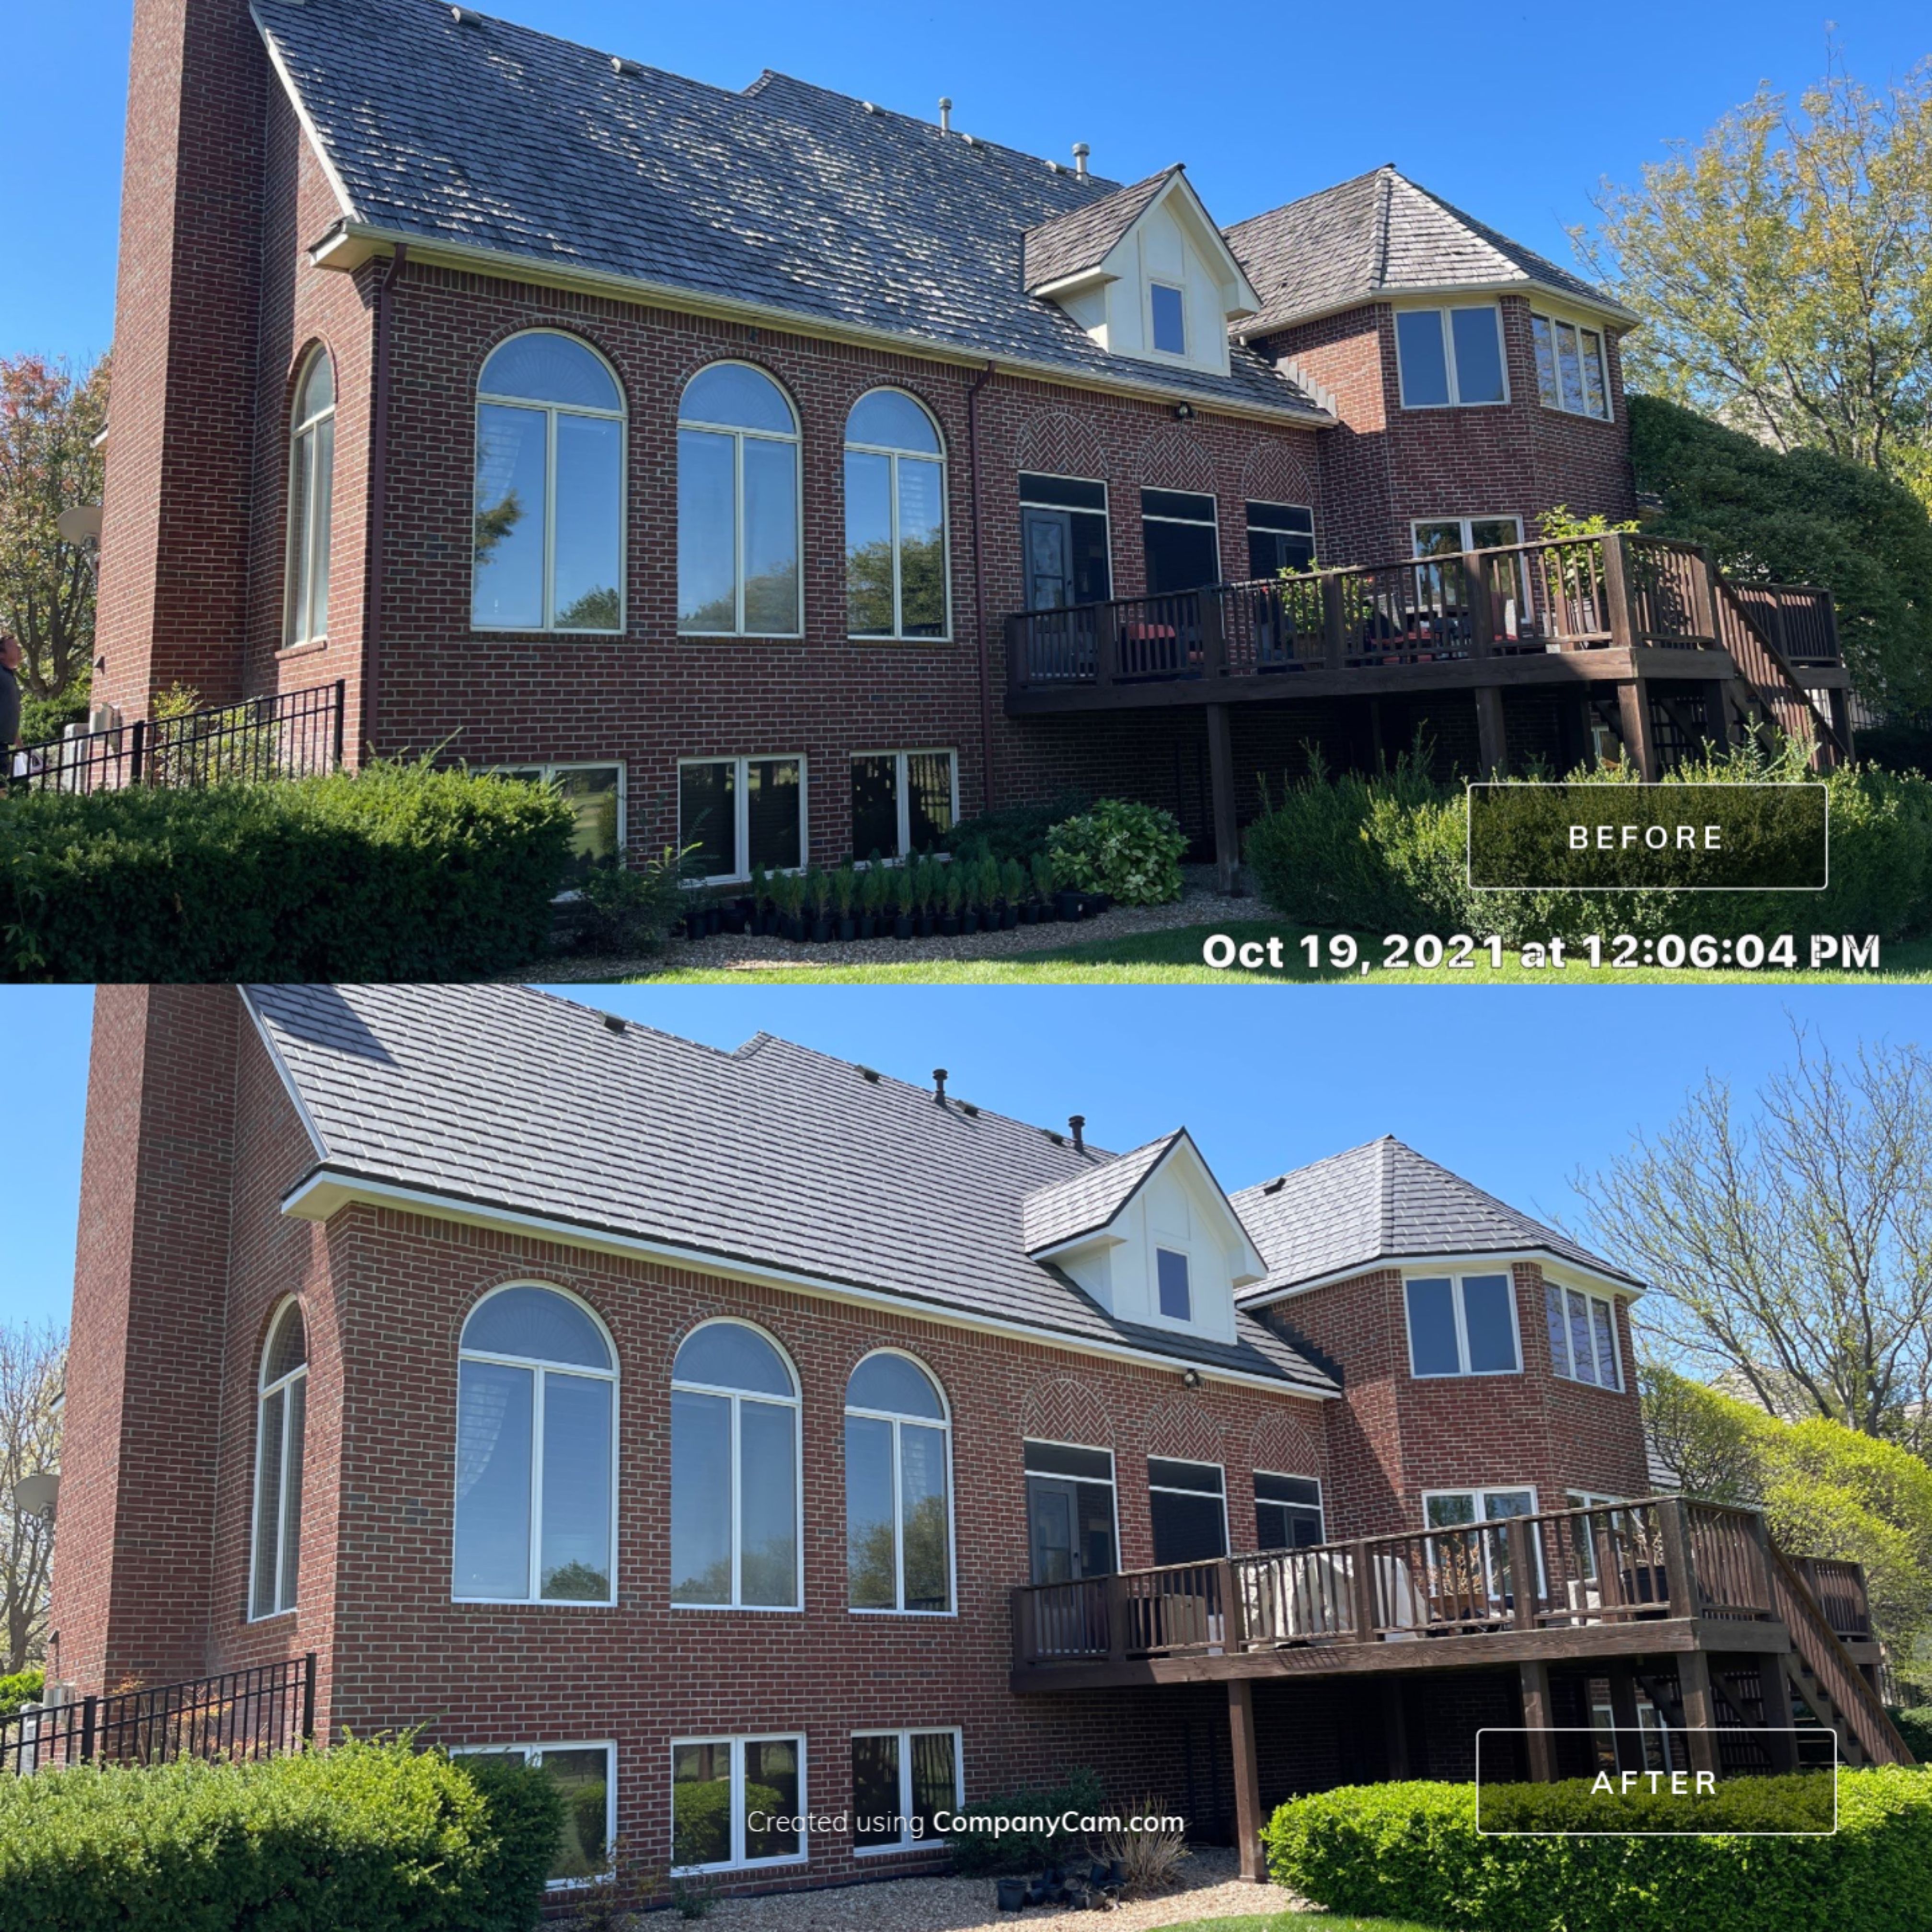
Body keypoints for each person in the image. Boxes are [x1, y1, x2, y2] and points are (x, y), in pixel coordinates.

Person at [0, 633, 21, 775]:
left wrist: (21, 746)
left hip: (3, 744)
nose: (19, 648)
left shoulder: (8, 676)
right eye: (14, 646)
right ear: (2, 655)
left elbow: (9, 715)